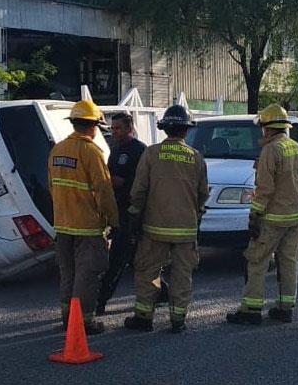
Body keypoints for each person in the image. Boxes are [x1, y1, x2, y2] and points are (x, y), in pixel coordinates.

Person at [124, 105, 208, 334]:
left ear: (164, 129)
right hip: (186, 228)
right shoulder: (196, 157)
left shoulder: (151, 153)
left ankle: (144, 317)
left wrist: (134, 217)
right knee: (182, 274)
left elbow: (139, 190)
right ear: (186, 131)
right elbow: (203, 194)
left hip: (154, 228)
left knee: (147, 271)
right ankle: (178, 319)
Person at [226, 104, 298, 325]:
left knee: (257, 262)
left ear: (268, 128)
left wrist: (255, 215)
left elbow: (264, 189)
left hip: (271, 219)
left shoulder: (270, 150)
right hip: (293, 217)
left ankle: (251, 310)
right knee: (289, 263)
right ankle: (285, 308)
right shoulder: (296, 147)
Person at [48, 100, 120, 334]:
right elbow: (104, 190)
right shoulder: (92, 152)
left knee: (67, 275)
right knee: (87, 276)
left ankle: (67, 318)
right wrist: (113, 221)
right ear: (93, 125)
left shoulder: (57, 149)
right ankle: (84, 322)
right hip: (87, 228)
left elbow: (52, 186)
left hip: (63, 225)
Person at [96, 112, 146, 314]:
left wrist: (123, 183)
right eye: (112, 128)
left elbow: (142, 182)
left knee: (117, 259)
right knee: (136, 259)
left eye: (117, 128)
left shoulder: (139, 150)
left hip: (132, 212)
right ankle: (162, 293)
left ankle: (100, 301)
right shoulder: (115, 150)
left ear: (129, 128)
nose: (113, 132)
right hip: (118, 210)